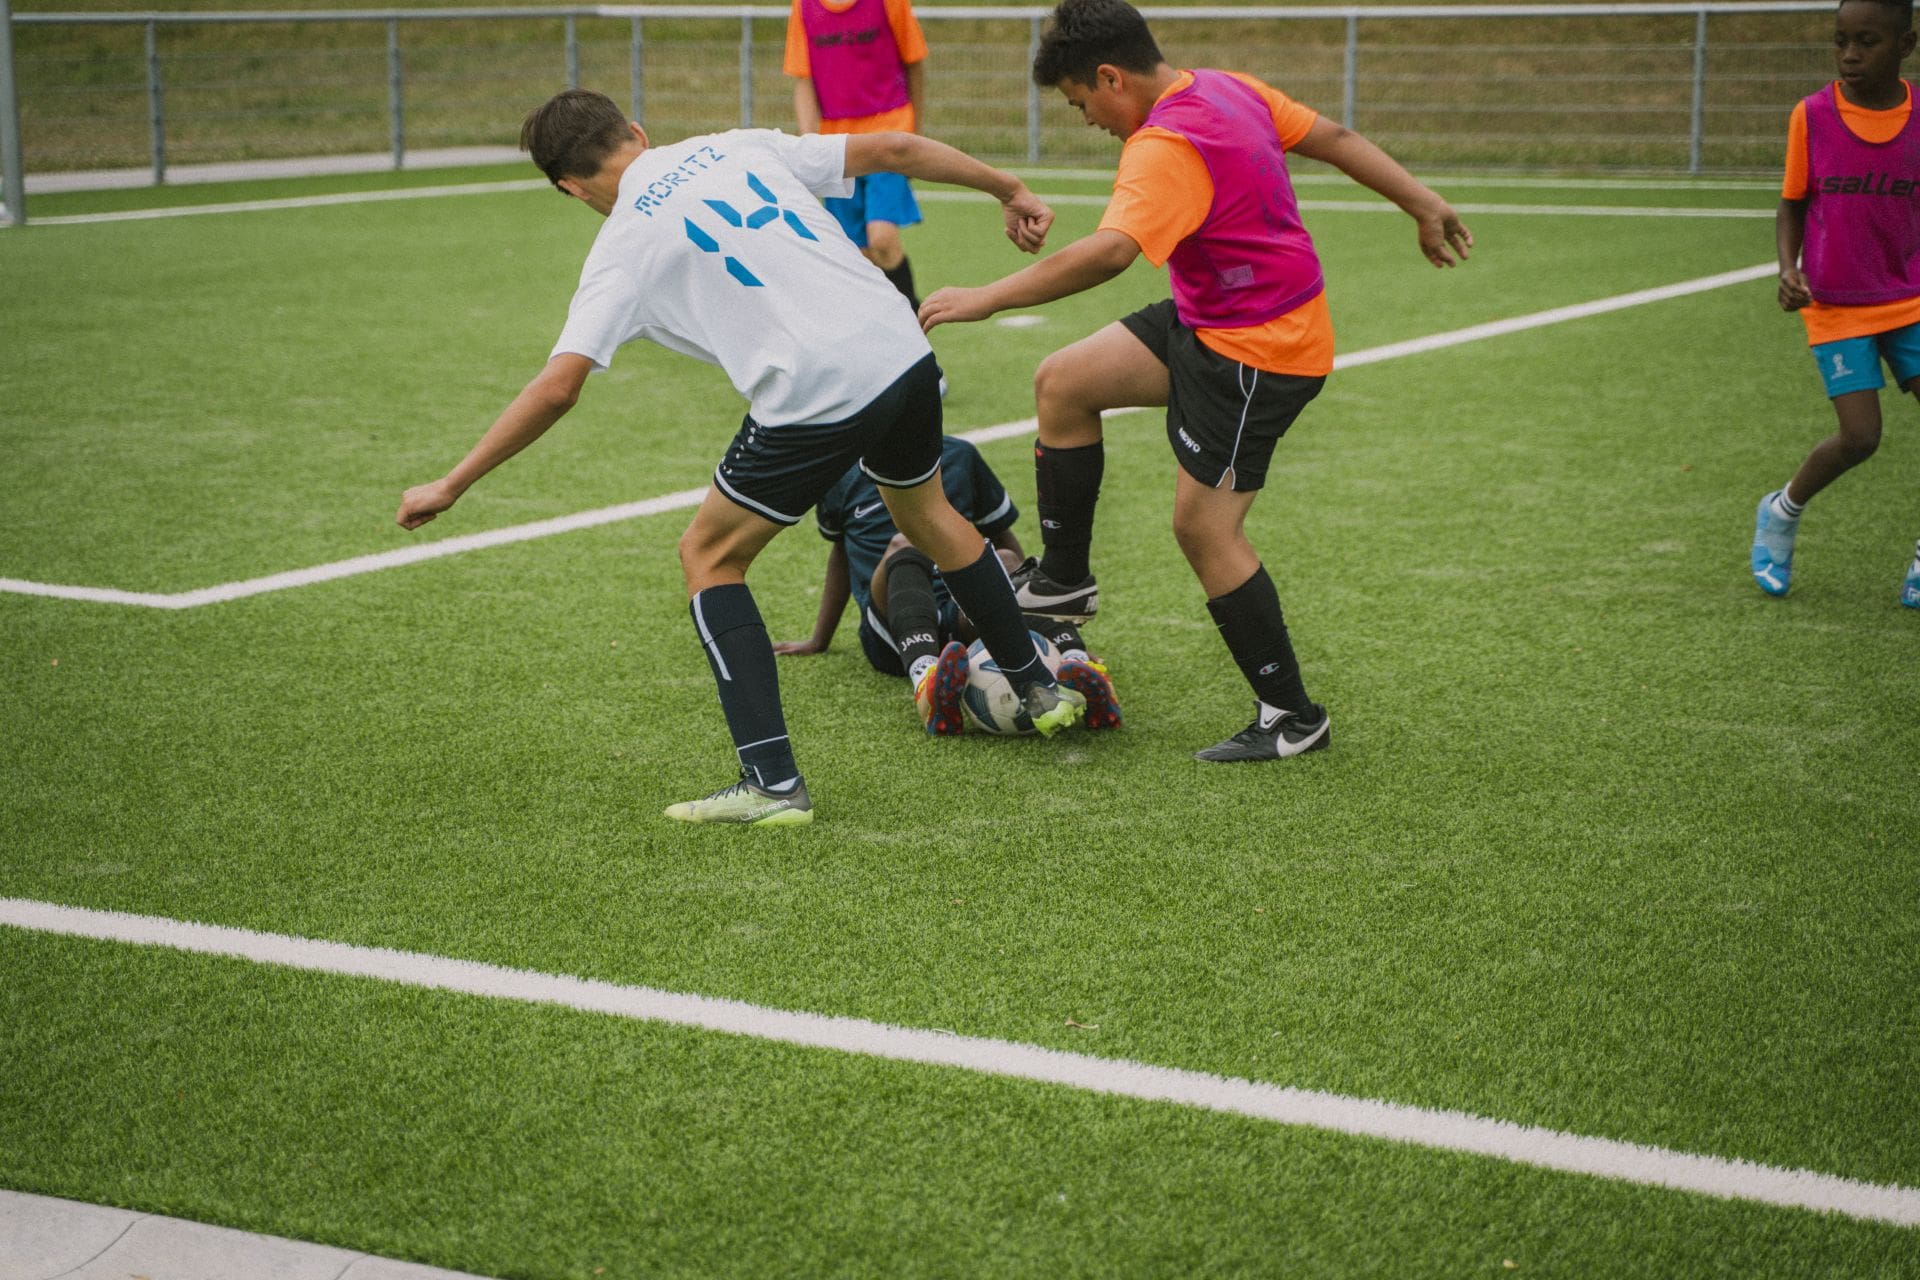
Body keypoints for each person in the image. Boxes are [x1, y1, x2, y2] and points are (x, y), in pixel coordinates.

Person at [395, 89, 1088, 828]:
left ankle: (772, 782)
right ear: (636, 132)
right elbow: (896, 148)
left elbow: (559, 386)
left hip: (816, 389)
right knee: (927, 514)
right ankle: (1037, 686)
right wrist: (1008, 188)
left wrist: (453, 482)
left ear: (568, 186)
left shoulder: (620, 247)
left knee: (708, 555)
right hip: (904, 352)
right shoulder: (732, 144)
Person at [917, 0, 1472, 762]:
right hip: (1209, 319)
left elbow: (1110, 252)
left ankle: (1292, 717)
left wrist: (985, 298)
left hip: (1261, 350)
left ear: (1111, 77)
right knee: (1064, 382)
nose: (1088, 121)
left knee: (1204, 529)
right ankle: (1066, 579)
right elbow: (1336, 139)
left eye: (1081, 104)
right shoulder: (1228, 87)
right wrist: (1423, 200)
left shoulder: (1163, 146)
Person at [774, 435, 1123, 733]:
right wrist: (819, 639)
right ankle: (926, 679)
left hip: (963, 611)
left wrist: (1039, 630)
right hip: (891, 626)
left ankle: (1080, 667)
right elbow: (840, 555)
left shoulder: (960, 455)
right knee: (906, 542)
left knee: (1007, 560)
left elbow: (1002, 537)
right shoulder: (841, 471)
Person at [1757, 0, 1920, 608]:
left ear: (1905, 45)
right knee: (1860, 437)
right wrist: (1788, 268)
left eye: (1867, 42)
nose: (1850, 55)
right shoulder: (1814, 115)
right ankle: (1781, 510)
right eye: (1841, 40)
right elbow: (1792, 203)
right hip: (1837, 304)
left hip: (1911, 298)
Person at [785, 0, 932, 315]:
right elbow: (803, 80)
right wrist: (809, 146)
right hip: (837, 146)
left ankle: (914, 317)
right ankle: (885, 325)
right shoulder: (805, 7)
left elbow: (914, 63)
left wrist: (913, 137)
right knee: (858, 254)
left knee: (882, 239)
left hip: (889, 134)